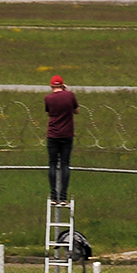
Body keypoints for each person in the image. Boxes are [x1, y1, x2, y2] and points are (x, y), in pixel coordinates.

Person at [44, 76, 79, 205]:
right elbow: (77, 111)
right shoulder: (70, 96)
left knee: (53, 164)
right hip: (67, 134)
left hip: (53, 135)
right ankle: (63, 197)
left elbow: (49, 113)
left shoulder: (48, 98)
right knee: (65, 164)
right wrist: (67, 92)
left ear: (51, 86)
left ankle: (54, 196)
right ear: (63, 85)